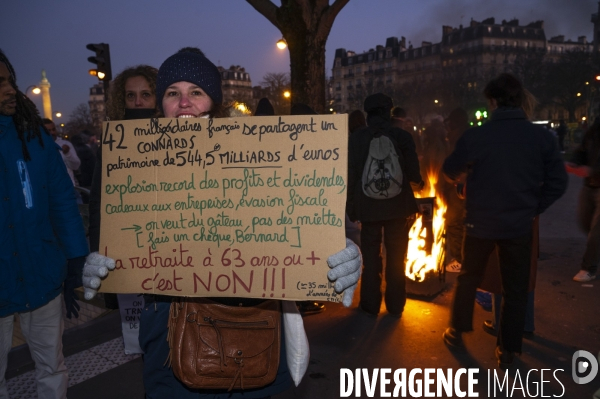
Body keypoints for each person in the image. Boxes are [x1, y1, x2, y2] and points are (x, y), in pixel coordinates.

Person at [82, 48, 361, 399]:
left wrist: (340, 253)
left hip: (252, 340)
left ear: (214, 102)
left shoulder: (258, 158)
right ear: (161, 105)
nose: (184, 103)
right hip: (169, 347)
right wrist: (105, 260)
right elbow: (124, 243)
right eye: (173, 93)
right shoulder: (136, 170)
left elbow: (297, 228)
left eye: (196, 92)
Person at [441, 73, 568, 368]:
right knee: (515, 287)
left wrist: (463, 178)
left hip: (480, 224)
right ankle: (509, 350)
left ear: (493, 101)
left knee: (469, 278)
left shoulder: (477, 135)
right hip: (518, 225)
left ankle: (457, 331)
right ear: (519, 100)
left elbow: (450, 169)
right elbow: (558, 183)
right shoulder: (541, 137)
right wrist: (534, 207)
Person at [0, 48, 89, 398]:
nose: (9, 90)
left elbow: (62, 202)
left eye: (8, 80)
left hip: (42, 274)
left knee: (53, 367)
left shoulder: (34, 137)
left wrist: (75, 260)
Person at [347, 93, 423, 317]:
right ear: (388, 112)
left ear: (368, 113)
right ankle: (396, 304)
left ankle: (370, 304)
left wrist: (352, 207)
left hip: (368, 208)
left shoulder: (357, 139)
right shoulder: (402, 136)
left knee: (371, 258)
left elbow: (351, 175)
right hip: (398, 208)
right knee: (397, 257)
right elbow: (414, 175)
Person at [569, 120, 600, 282]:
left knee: (596, 231)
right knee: (585, 222)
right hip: (590, 184)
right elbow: (583, 147)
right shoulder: (596, 127)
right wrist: (576, 160)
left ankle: (589, 268)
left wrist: (594, 170)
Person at [442, 108, 469, 273]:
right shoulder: (467, 135)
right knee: (461, 223)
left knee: (455, 222)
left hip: (457, 187)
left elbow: (453, 163)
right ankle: (461, 258)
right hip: (461, 187)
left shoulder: (458, 137)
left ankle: (459, 259)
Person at [42, 118, 80, 188]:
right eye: (48, 131)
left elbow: (76, 166)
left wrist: (67, 153)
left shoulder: (65, 144)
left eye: (53, 129)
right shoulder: (37, 147)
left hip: (68, 189)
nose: (52, 133)